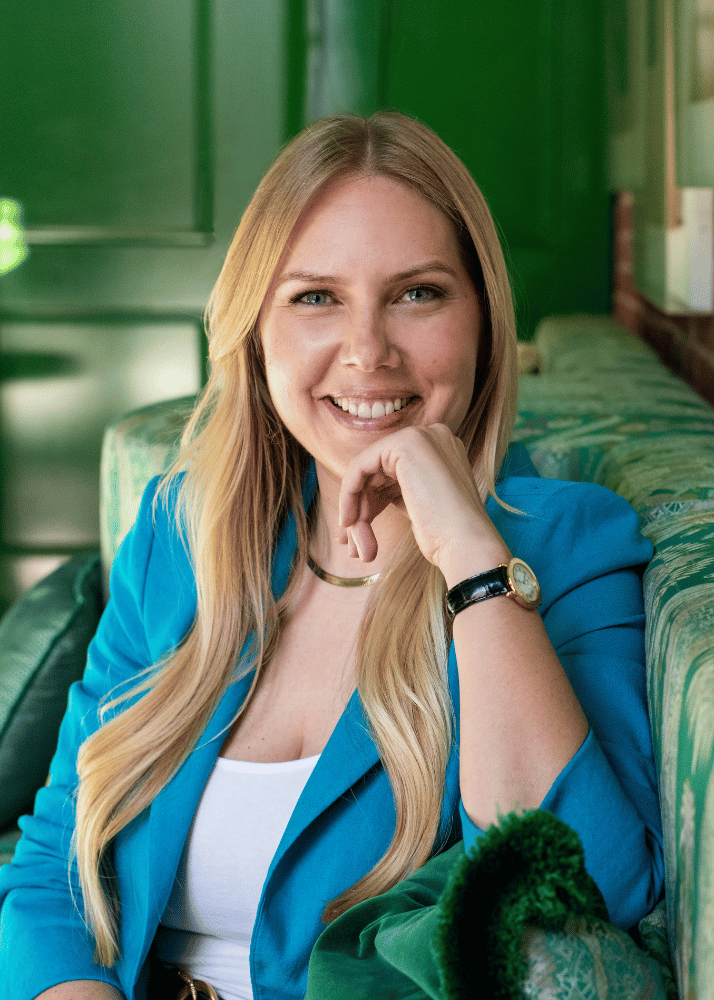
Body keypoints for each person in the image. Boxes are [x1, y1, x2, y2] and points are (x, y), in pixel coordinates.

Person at [0, 112, 664, 1000]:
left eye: (418, 293)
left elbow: (587, 894)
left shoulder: (564, 547)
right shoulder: (181, 532)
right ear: (256, 330)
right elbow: (55, 859)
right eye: (316, 297)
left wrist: (471, 560)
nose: (368, 351)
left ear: (482, 320)